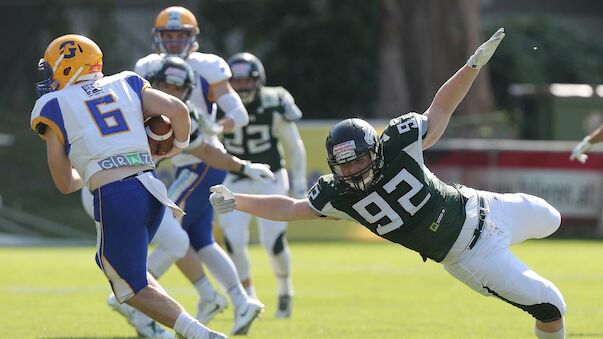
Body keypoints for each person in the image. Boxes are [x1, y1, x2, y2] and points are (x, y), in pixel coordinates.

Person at [210, 28, 568, 339]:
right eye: (344, 165)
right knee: (552, 306)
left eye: (359, 160)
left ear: (375, 150)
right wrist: (237, 200)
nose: (352, 171)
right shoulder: (339, 196)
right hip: (472, 255)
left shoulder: (399, 143)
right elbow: (289, 208)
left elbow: (440, 107)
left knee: (553, 218)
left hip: (483, 205)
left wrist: (471, 66)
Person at [30, 34, 226, 339]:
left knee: (129, 286)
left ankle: (201, 334)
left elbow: (65, 183)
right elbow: (178, 110)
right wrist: (177, 147)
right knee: (125, 272)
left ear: (67, 66)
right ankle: (187, 330)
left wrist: (92, 169)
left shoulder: (52, 104)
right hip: (152, 189)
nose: (49, 77)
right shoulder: (128, 81)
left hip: (116, 195)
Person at [87, 55, 267, 336]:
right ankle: (151, 306)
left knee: (180, 241)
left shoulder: (179, 113)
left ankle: (165, 309)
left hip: (129, 187)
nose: (171, 94)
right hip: (109, 188)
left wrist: (244, 165)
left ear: (187, 91)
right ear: (153, 83)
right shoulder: (135, 103)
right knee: (149, 255)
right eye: (165, 86)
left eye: (178, 88)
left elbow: (205, 150)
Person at [216, 52, 307, 318]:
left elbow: (294, 145)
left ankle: (284, 291)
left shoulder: (273, 101)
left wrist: (299, 183)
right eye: (237, 81)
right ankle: (249, 299)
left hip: (271, 179)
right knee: (233, 242)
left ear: (258, 81)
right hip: (235, 179)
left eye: (247, 81)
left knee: (274, 241)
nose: (242, 86)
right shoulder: (218, 103)